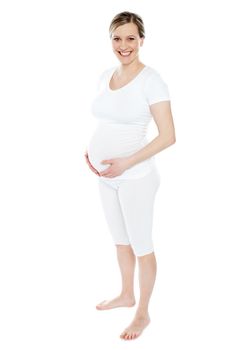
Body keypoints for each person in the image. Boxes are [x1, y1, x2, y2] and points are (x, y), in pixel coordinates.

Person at [85, 11, 176, 341]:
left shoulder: (152, 80)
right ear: (110, 40)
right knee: (120, 241)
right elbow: (108, 121)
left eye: (130, 38)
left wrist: (125, 162)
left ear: (141, 40)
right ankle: (126, 294)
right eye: (117, 38)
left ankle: (143, 312)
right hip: (105, 176)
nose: (124, 45)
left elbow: (168, 136)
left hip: (136, 177)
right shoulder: (105, 76)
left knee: (141, 245)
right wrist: (89, 151)